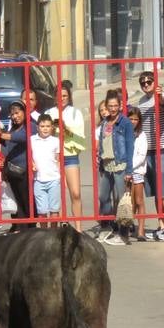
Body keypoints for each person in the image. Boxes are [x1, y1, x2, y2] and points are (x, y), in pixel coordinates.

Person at [135, 72, 164, 241]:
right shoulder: (141, 101)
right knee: (155, 191)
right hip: (148, 150)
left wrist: (159, 96)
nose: (146, 85)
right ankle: (161, 225)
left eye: (149, 82)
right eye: (143, 83)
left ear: (155, 82)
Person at [95, 90, 134, 245]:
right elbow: (102, 143)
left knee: (120, 200)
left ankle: (123, 233)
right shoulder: (105, 122)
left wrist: (129, 170)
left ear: (120, 106)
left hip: (120, 165)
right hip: (106, 165)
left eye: (115, 106)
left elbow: (130, 146)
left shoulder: (125, 123)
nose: (112, 109)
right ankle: (107, 226)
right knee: (103, 197)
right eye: (110, 106)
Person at [46, 80, 86, 225]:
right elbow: (43, 134)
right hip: (53, 157)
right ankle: (61, 226)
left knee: (75, 193)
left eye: (64, 95)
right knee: (58, 194)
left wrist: (66, 129)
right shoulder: (49, 113)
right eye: (59, 95)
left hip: (70, 156)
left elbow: (81, 140)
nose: (61, 98)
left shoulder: (76, 113)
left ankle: (78, 227)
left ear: (69, 97)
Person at [0, 101, 33, 221]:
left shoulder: (31, 126)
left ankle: (29, 227)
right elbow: (6, 147)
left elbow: (23, 137)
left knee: (26, 202)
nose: (15, 116)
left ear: (24, 112)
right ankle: (18, 226)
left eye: (17, 113)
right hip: (11, 172)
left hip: (25, 173)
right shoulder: (12, 128)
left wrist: (3, 135)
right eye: (12, 114)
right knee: (16, 201)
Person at [30, 113, 62, 219]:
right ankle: (44, 235)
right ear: (37, 127)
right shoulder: (32, 140)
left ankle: (54, 234)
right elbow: (29, 156)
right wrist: (32, 163)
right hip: (38, 180)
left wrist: (61, 177)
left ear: (52, 127)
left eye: (48, 126)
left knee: (54, 210)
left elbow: (58, 159)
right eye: (42, 126)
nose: (45, 129)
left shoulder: (56, 141)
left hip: (54, 179)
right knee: (41, 212)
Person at [126, 106, 150, 240]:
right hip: (126, 171)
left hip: (137, 171)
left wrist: (130, 167)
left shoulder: (142, 135)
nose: (133, 121)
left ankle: (141, 230)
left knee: (139, 200)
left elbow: (141, 156)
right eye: (131, 118)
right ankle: (128, 226)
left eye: (136, 119)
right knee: (129, 201)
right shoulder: (123, 133)